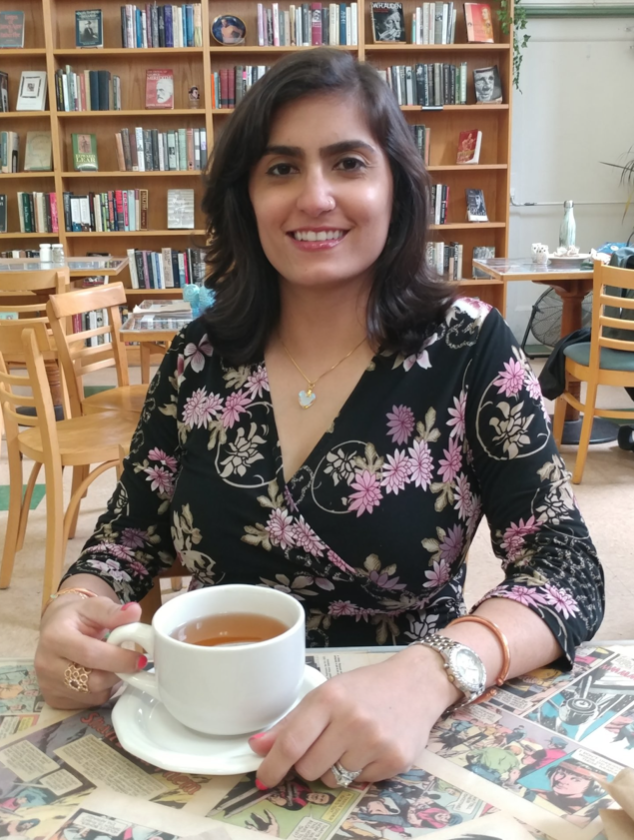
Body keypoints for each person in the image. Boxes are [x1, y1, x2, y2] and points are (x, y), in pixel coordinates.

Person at [35, 48, 604, 792]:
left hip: (397, 746)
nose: (315, 197)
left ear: (395, 188)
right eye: (281, 169)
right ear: (245, 197)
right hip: (206, 745)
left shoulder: (470, 348)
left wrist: (434, 672)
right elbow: (128, 539)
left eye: (347, 164)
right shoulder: (199, 357)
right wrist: (75, 607)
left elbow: (565, 569)